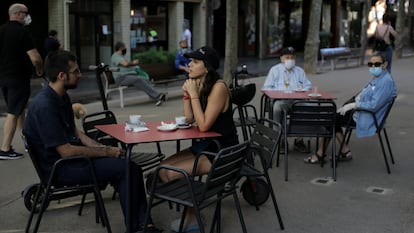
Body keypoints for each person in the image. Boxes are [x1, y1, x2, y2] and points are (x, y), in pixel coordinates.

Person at [22, 50, 162, 233]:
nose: (80, 75)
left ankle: (142, 225)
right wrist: (106, 153)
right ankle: (140, 227)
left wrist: (103, 148)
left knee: (127, 166)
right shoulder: (45, 106)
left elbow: (75, 132)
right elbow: (66, 151)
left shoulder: (60, 96)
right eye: (76, 71)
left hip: (71, 160)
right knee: (128, 169)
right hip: (61, 168)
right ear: (62, 75)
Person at [158, 46, 238, 232]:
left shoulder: (219, 87)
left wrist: (193, 94)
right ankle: (192, 212)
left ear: (207, 67)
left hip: (221, 152)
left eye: (195, 62)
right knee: (163, 169)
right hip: (206, 146)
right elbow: (190, 119)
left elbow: (203, 126)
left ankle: (193, 219)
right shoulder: (201, 84)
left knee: (171, 173)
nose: (189, 65)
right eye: (190, 61)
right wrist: (188, 94)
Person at [304, 53, 397, 164]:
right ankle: (344, 151)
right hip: (362, 112)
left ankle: (320, 154)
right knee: (333, 117)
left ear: (385, 64)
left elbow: (373, 105)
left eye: (376, 64)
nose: (373, 67)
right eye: (370, 64)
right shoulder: (379, 77)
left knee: (331, 119)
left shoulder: (385, 81)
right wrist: (352, 104)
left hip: (368, 116)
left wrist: (354, 105)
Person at [0, 3, 43, 160]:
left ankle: (27, 141)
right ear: (18, 14)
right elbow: (35, 57)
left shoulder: (2, 30)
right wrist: (40, 68)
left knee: (19, 109)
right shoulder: (22, 32)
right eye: (25, 13)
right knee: (13, 112)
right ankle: (5, 149)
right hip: (18, 78)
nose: (27, 16)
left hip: (4, 78)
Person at [262, 46, 312, 153]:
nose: (290, 60)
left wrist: (302, 89)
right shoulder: (275, 70)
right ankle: (281, 140)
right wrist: (278, 92)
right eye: (287, 57)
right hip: (281, 100)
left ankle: (299, 140)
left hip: (297, 100)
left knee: (307, 107)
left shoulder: (299, 71)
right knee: (276, 108)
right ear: (282, 59)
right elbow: (266, 88)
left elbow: (308, 86)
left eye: (292, 57)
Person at [110, 41, 166, 106]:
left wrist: (136, 68)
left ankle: (155, 97)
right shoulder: (115, 56)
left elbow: (127, 66)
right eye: (125, 47)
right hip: (121, 78)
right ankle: (158, 96)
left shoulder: (122, 56)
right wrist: (133, 63)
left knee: (144, 78)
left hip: (127, 76)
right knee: (138, 79)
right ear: (121, 48)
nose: (126, 49)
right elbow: (125, 64)